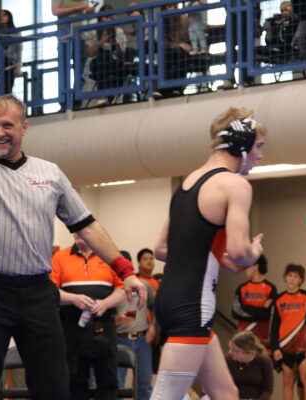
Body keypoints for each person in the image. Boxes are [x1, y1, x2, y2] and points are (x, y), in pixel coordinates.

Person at [0, 89, 146, 400]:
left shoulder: (49, 173)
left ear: (24, 127)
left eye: (7, 126)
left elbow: (87, 226)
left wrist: (126, 270)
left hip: (38, 294)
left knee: (54, 388)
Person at [152, 107, 266, 400]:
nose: (260, 156)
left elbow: (162, 250)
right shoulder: (235, 185)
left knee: (226, 394)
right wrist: (254, 252)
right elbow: (241, 252)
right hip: (193, 305)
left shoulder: (187, 184)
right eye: (258, 147)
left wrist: (217, 257)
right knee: (166, 396)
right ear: (241, 144)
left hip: (171, 299)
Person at [51, 233, 126, 400]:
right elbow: (51, 291)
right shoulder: (59, 257)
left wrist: (106, 303)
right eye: (76, 233)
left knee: (108, 379)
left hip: (104, 325)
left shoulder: (109, 255)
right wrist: (73, 298)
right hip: (71, 326)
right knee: (74, 379)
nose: (79, 236)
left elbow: (124, 288)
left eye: (83, 233)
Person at [115, 249, 157, 400]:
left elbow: (154, 307)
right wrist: (118, 319)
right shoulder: (111, 288)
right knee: (117, 386)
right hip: (120, 339)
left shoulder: (143, 285)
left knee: (144, 385)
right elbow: (103, 316)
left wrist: (152, 326)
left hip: (142, 339)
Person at [271, 263, 306, 400]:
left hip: (303, 348)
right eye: (289, 275)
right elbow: (273, 326)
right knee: (287, 381)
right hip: (285, 348)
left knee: (305, 379)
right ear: (285, 277)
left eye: (296, 277)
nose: (292, 279)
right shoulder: (279, 298)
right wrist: (275, 348)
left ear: (301, 280)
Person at [231, 254, 277, 349]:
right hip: (242, 341)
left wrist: (246, 308)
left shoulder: (271, 288)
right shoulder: (241, 288)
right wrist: (260, 311)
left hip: (262, 342)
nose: (243, 269)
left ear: (256, 266)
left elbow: (268, 313)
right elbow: (235, 312)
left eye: (247, 266)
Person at [226, 330, 274, 400]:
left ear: (247, 351)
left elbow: (268, 389)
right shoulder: (228, 359)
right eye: (230, 348)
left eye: (235, 351)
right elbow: (220, 385)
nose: (230, 352)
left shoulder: (264, 360)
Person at [0, 9, 21, 95]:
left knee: (8, 88)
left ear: (9, 17)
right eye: (0, 15)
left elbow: (18, 50)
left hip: (10, 62)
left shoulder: (15, 32)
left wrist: (18, 66)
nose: (1, 17)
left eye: (4, 15)